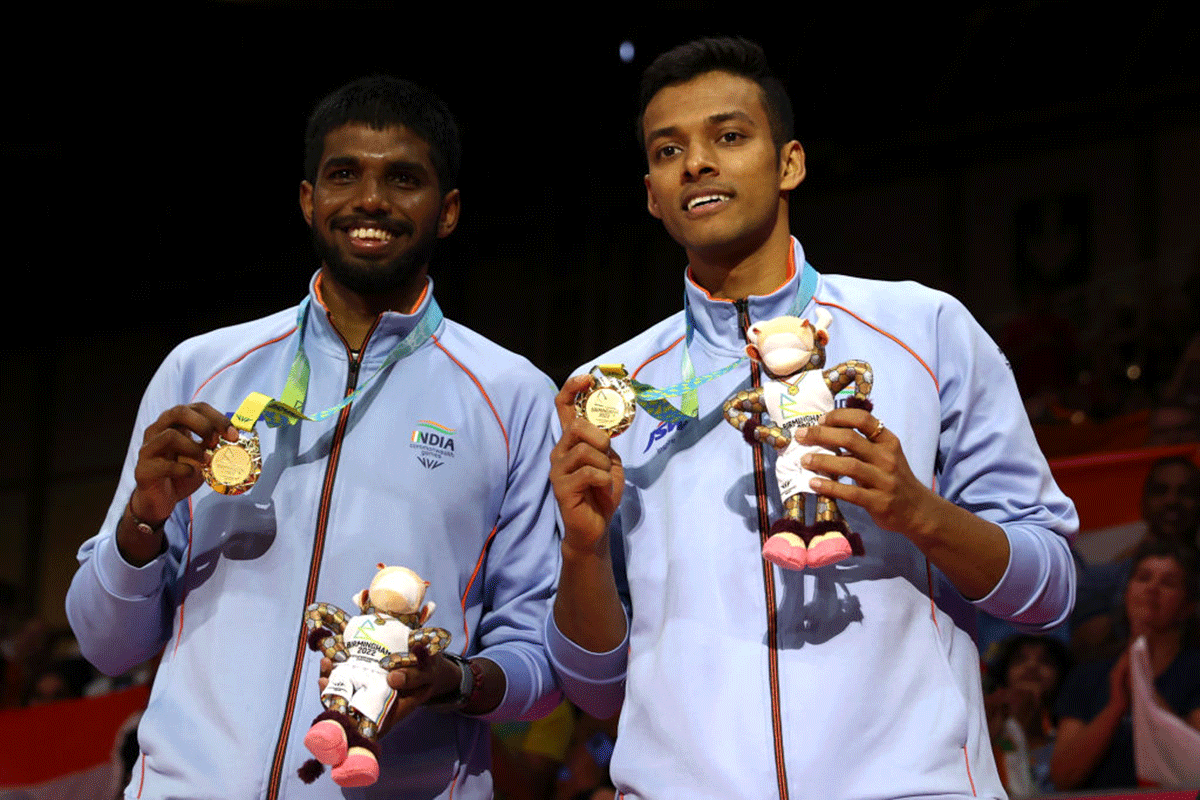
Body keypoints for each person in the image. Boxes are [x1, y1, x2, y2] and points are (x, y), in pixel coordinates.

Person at [545, 37, 1078, 799]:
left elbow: (1050, 587)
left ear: (789, 162)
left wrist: (919, 514)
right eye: (669, 151)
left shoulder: (924, 330)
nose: (696, 162)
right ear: (653, 194)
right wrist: (583, 553)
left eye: (728, 137)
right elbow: (594, 693)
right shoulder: (611, 390)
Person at [66, 76, 561, 800]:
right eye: (344, 175)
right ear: (308, 201)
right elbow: (105, 643)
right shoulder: (203, 369)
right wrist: (141, 522)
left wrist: (450, 680)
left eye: (403, 179)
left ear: (447, 211)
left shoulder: (512, 396)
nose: (370, 199)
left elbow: (540, 668)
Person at [1051, 539, 1200, 789]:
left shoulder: (1195, 670)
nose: (1152, 588)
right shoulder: (1088, 674)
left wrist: (1147, 697)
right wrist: (1115, 707)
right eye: (1143, 578)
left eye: (1168, 583)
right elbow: (1063, 777)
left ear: (1188, 607)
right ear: (1127, 591)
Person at [984, 635, 1073, 796]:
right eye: (1020, 660)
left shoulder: (1069, 733)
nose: (1032, 666)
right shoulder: (986, 722)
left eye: (1045, 661)